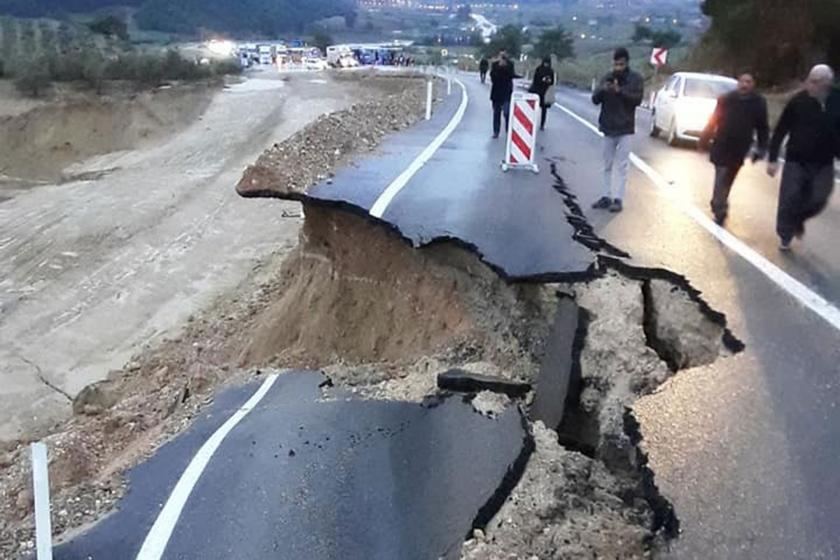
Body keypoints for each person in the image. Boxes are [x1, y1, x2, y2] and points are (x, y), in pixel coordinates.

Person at [768, 64, 840, 251]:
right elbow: (780, 130)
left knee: (819, 198)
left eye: (816, 82)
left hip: (824, 162)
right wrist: (773, 158)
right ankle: (785, 234)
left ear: (827, 84)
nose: (811, 85)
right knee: (789, 198)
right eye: (810, 81)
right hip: (796, 160)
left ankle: (798, 219)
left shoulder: (837, 101)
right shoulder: (798, 102)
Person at [699, 72, 769, 225]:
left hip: (740, 148)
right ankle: (720, 207)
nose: (744, 85)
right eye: (742, 81)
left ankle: (719, 200)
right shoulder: (726, 100)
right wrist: (704, 139)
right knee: (721, 175)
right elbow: (714, 120)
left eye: (748, 82)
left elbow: (762, 127)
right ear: (738, 82)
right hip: (722, 144)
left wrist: (762, 148)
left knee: (729, 178)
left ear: (753, 84)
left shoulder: (759, 103)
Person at [590, 47, 644, 213]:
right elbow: (595, 99)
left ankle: (618, 199)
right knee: (606, 165)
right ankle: (606, 196)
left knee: (622, 166)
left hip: (625, 128)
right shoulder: (607, 77)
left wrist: (620, 91)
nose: (617, 68)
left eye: (620, 64)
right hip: (608, 127)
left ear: (626, 63)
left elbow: (637, 100)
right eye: (615, 64)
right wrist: (603, 89)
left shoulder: (635, 79)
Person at [490, 51, 518, 139]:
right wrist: (499, 67)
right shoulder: (495, 65)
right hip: (497, 93)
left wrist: (504, 67)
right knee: (496, 113)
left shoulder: (510, 64)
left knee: (507, 113)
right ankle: (496, 131)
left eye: (504, 55)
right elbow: (493, 77)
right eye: (501, 55)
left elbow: (511, 75)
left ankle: (508, 130)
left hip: (506, 93)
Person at [529, 56, 555, 131]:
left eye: (547, 63)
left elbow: (552, 82)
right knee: (534, 108)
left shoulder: (550, 71)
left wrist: (548, 81)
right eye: (545, 63)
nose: (546, 64)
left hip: (545, 92)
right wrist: (542, 80)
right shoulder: (539, 69)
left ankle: (542, 124)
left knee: (544, 110)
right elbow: (535, 80)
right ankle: (532, 122)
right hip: (537, 91)